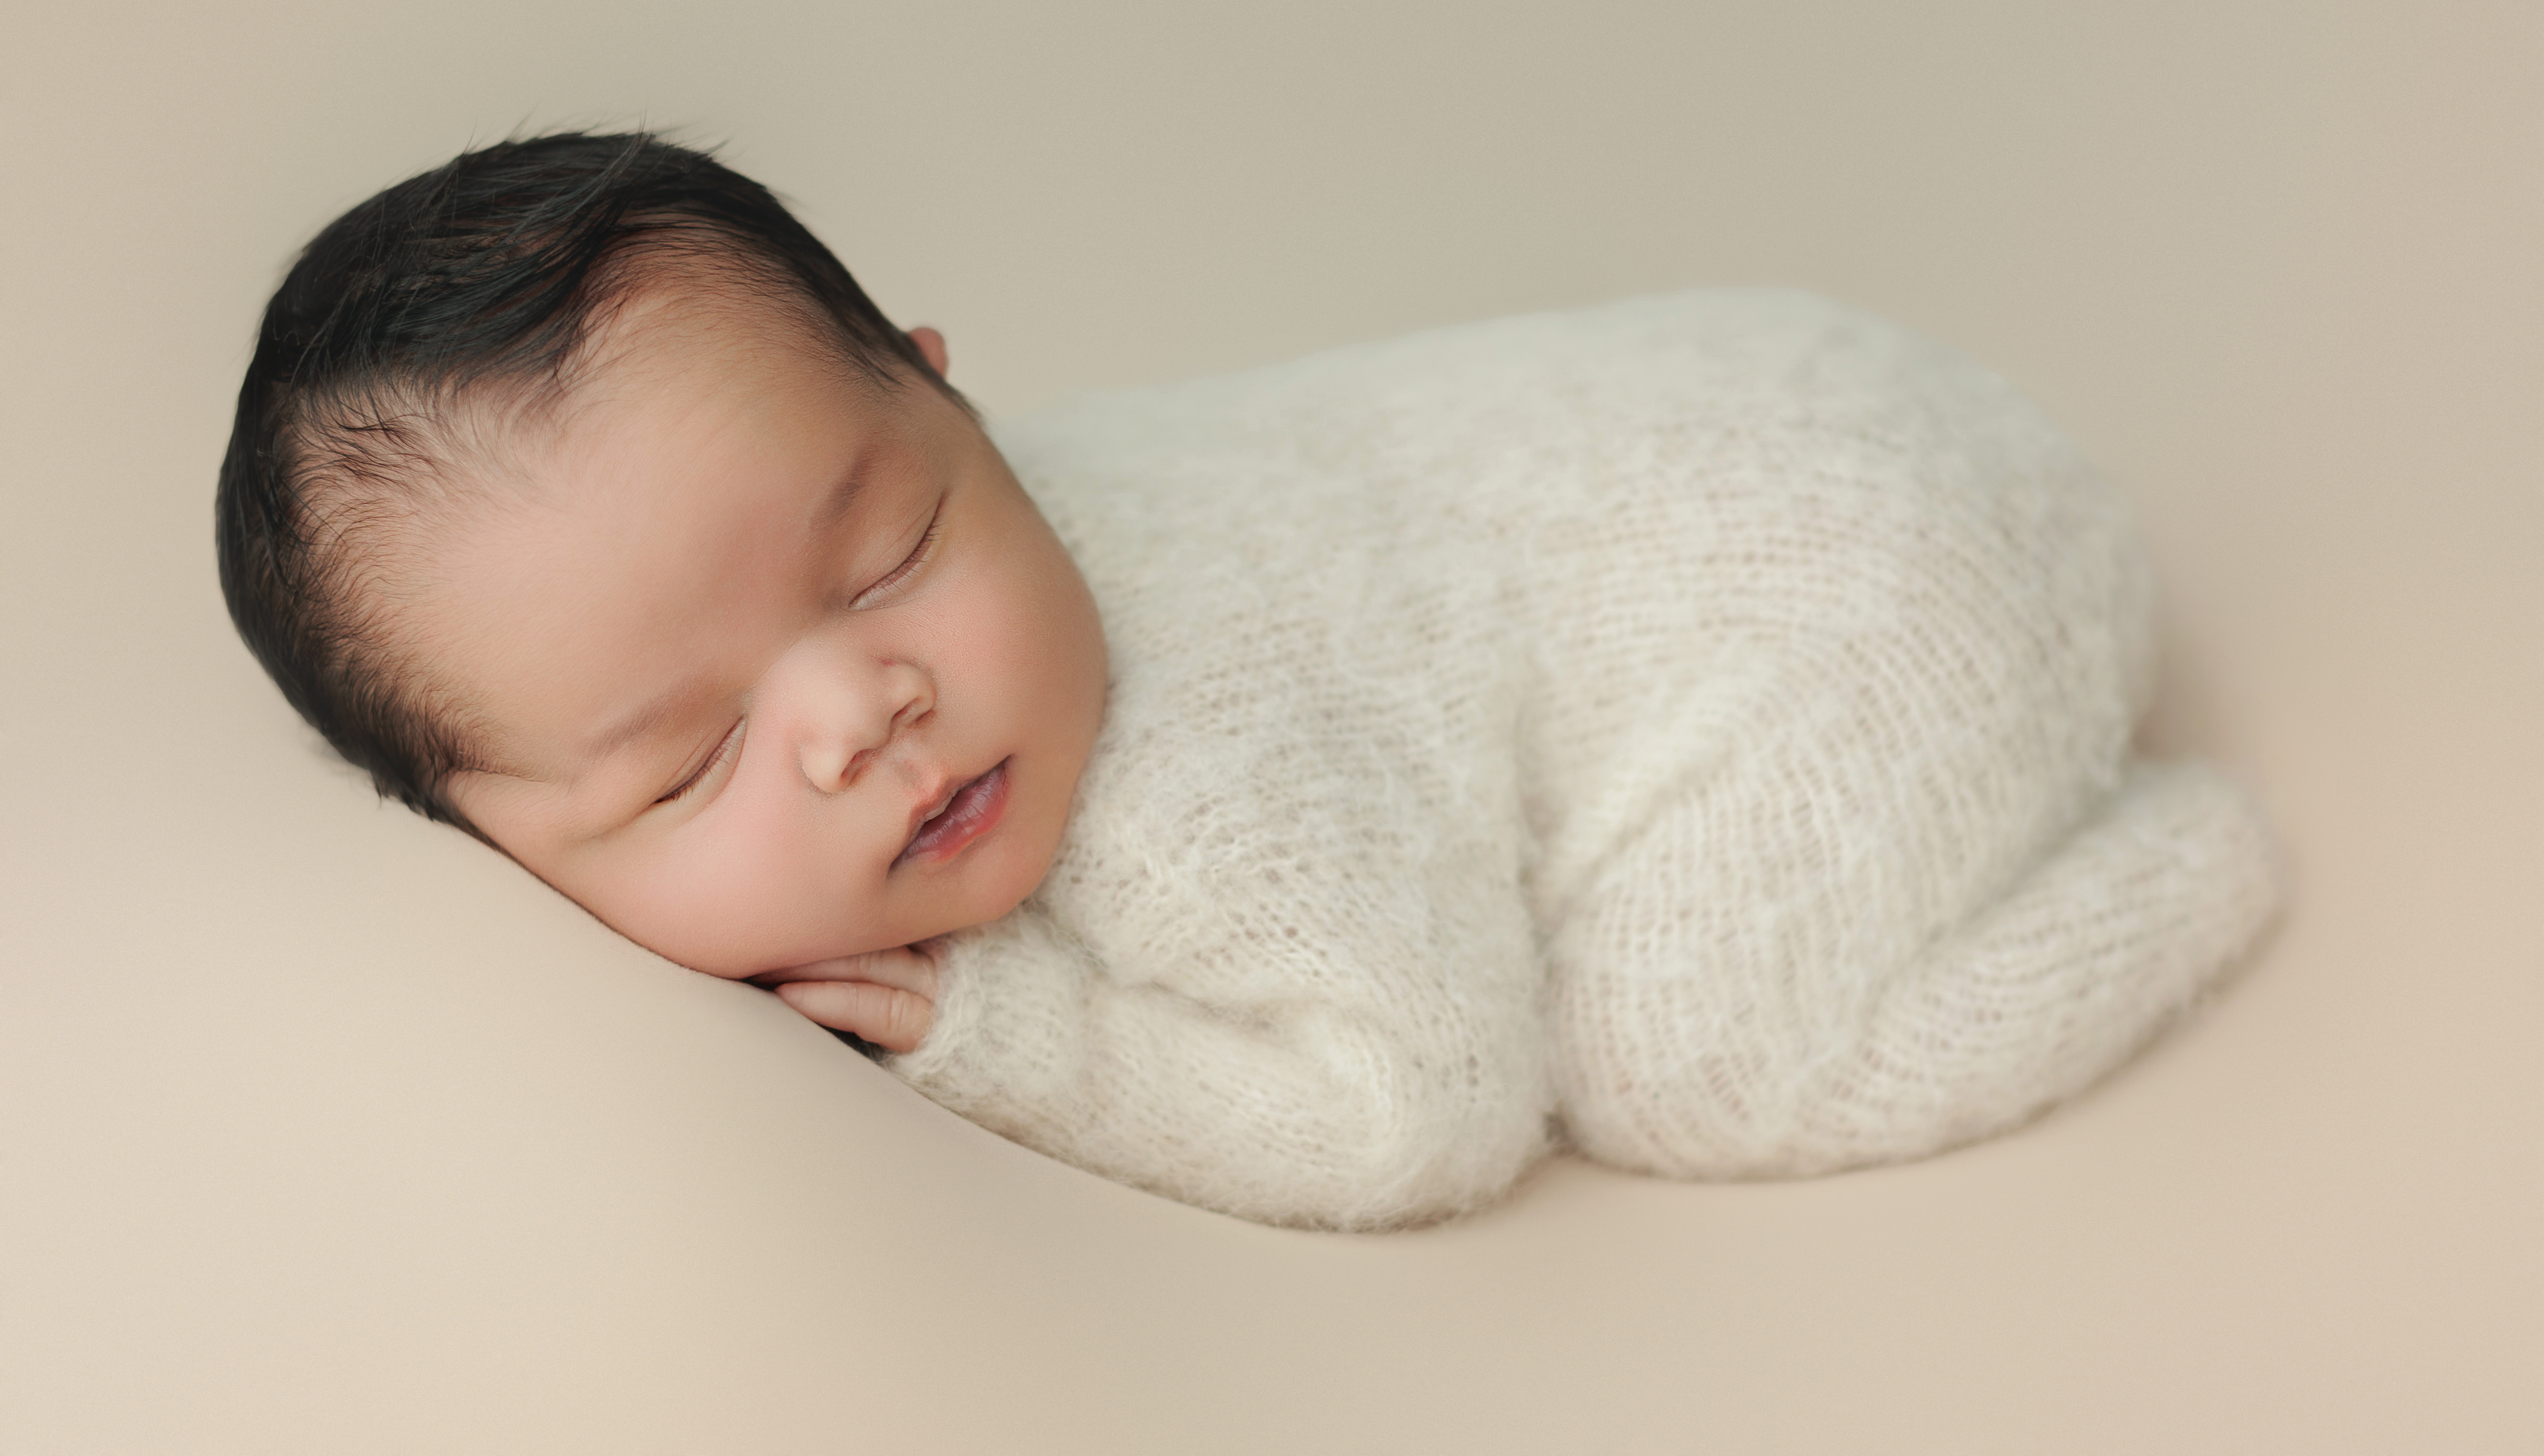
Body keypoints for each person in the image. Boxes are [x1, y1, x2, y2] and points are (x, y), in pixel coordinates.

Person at [217, 132, 2281, 1231]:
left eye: (890, 553)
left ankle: (2178, 860)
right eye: (687, 763)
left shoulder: (1207, 769)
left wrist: (993, 1023)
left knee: (1671, 1062)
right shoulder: (930, 590)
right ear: (484, 835)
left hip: (1880, 584)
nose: (862, 711)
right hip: (1779, 394)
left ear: (957, 398)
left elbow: (1430, 1111)